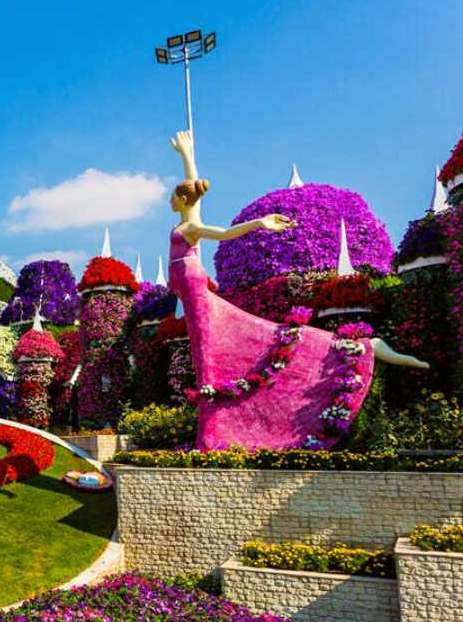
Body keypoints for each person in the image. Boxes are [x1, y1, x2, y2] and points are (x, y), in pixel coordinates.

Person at [167, 131, 425, 450]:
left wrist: (259, 223)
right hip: (191, 290)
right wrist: (187, 154)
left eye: (174, 197)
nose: (171, 201)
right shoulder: (188, 217)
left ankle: (360, 348)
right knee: (222, 349)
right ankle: (367, 345)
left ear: (181, 200)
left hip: (194, 291)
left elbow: (221, 234)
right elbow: (196, 192)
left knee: (211, 355)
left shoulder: (191, 227)